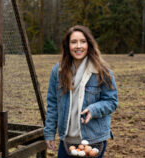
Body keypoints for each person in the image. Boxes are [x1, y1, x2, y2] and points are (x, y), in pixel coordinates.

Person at [44, 25, 118, 158]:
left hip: (93, 139)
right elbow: (52, 104)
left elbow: (111, 102)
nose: (78, 46)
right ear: (67, 45)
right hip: (67, 139)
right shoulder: (58, 71)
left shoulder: (102, 71)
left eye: (82, 41)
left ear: (89, 44)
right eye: (74, 42)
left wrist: (94, 109)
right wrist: (49, 133)